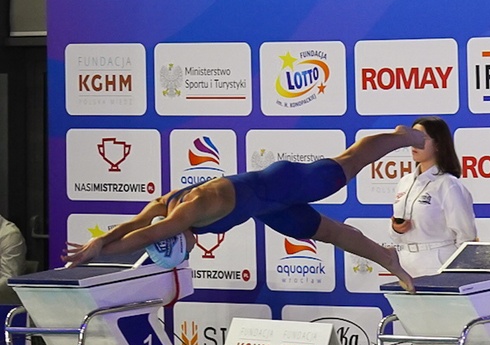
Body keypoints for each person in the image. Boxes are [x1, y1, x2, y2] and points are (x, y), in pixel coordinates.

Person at [62, 124, 427, 292]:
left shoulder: (188, 212)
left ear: (176, 238)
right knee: (330, 233)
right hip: (268, 209)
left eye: (184, 252)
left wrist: (100, 250)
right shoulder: (162, 207)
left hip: (279, 183)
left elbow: (145, 235)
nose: (191, 251)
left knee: (348, 163)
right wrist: (99, 244)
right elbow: (135, 227)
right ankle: (388, 259)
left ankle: (401, 136)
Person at [391, 116, 478, 278]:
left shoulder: (448, 184)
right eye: (412, 137)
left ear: (438, 144)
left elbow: (466, 235)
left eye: (421, 138)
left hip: (438, 263)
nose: (414, 144)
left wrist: (458, 272)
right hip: (405, 263)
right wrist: (396, 228)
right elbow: (395, 234)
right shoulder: (404, 182)